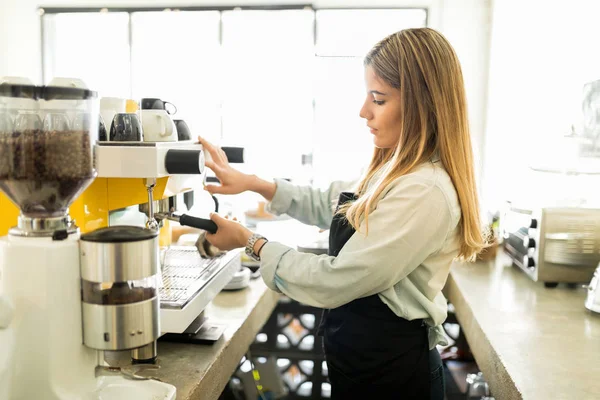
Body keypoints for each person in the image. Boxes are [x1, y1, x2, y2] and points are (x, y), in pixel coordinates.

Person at [200, 27, 487, 400]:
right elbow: (331, 205)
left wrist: (248, 240)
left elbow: (337, 280)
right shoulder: (394, 169)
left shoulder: (425, 190)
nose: (363, 111)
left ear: (422, 105)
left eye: (379, 99)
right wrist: (253, 182)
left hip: (395, 378)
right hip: (364, 368)